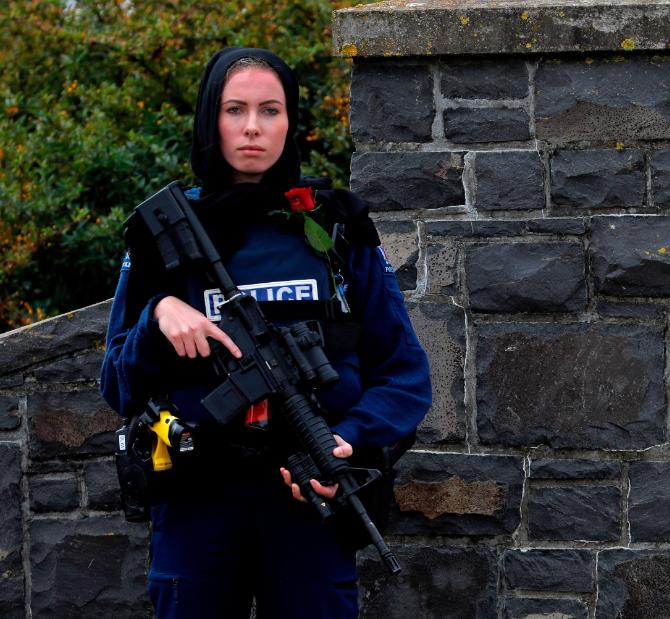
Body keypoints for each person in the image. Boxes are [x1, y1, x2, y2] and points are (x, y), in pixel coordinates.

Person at [99, 47, 432, 619]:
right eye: (235, 109)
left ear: (291, 121)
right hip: (198, 503)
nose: (253, 127)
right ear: (211, 119)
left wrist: (347, 440)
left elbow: (405, 377)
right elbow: (115, 385)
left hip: (309, 500)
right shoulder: (166, 236)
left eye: (270, 110)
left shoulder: (335, 227)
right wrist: (158, 317)